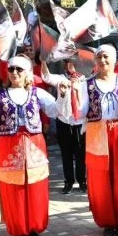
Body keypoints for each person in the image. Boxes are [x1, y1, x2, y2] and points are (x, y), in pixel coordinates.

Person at [0, 55, 59, 236]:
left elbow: (54, 110)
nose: (15, 73)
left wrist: (65, 94)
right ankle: (18, 231)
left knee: (36, 186)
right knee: (13, 188)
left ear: (27, 73)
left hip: (34, 146)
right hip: (9, 145)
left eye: (19, 69)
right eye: (11, 70)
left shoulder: (37, 93)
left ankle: (34, 229)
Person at [73, 44, 118, 236]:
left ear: (114, 60)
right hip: (98, 134)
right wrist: (74, 93)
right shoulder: (87, 84)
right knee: (100, 179)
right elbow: (80, 114)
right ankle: (107, 221)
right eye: (99, 57)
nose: (102, 61)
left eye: (106, 57)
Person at [45, 59, 87, 194]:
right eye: (68, 62)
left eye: (74, 62)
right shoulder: (61, 79)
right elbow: (46, 76)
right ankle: (68, 181)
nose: (71, 65)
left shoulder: (85, 80)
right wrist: (43, 61)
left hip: (80, 122)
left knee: (81, 154)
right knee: (66, 154)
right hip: (64, 121)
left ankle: (82, 180)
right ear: (64, 64)